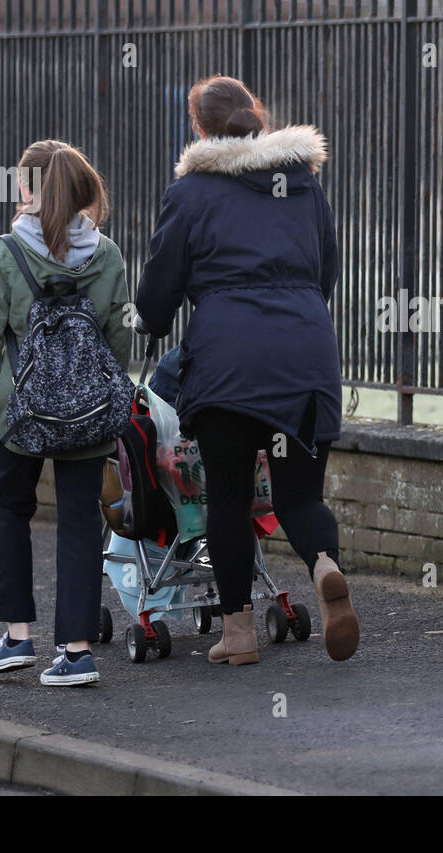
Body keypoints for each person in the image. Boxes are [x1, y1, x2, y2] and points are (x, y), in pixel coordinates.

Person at [134, 75, 358, 665]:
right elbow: (326, 269)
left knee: (229, 500)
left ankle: (237, 635)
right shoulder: (303, 182)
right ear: (257, 116)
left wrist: (151, 321)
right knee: (299, 496)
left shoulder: (192, 193)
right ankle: (326, 567)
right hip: (306, 355)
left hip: (228, 368)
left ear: (199, 129)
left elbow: (158, 295)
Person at [0, 140, 132, 685]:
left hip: (22, 415)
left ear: (25, 190)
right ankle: (78, 651)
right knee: (81, 522)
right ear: (84, 191)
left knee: (10, 506)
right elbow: (118, 341)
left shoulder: (8, 254)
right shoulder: (107, 257)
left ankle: (17, 639)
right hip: (88, 413)